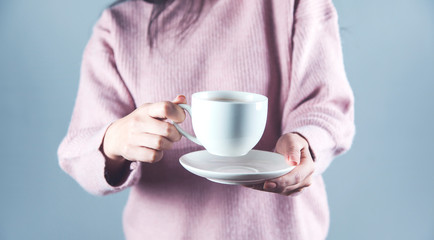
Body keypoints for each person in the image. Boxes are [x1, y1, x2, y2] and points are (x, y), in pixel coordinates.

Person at [58, 0, 355, 239]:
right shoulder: (117, 29)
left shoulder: (293, 4)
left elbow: (326, 105)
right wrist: (115, 141)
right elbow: (78, 153)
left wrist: (304, 142)